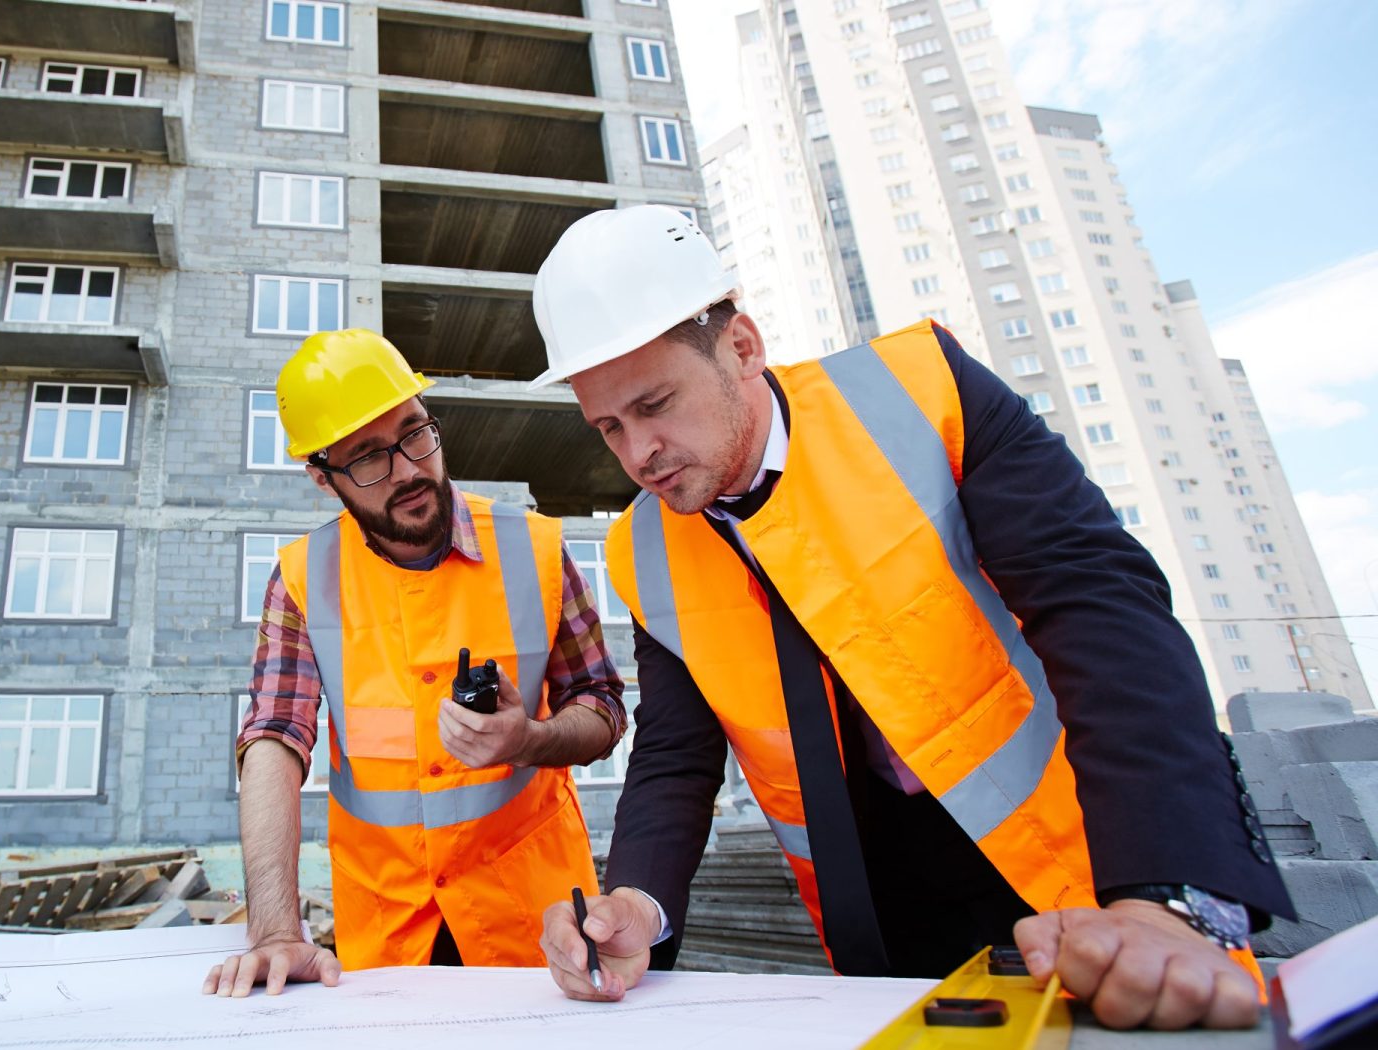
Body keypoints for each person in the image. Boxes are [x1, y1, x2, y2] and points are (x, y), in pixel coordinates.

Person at [527, 205, 1294, 1030]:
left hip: (1086, 875)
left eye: (656, 404)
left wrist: (1162, 890)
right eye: (609, 426)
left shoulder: (923, 393)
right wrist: (637, 903)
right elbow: (676, 756)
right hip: (878, 922)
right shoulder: (645, 548)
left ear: (742, 348)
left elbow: (1099, 607)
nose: (638, 452)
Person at [204, 329, 627, 997]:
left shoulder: (536, 550)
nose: (408, 469)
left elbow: (602, 706)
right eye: (368, 458)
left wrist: (533, 739)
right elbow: (273, 740)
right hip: (390, 941)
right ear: (321, 476)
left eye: (414, 433)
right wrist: (275, 930)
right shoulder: (302, 579)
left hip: (539, 934)